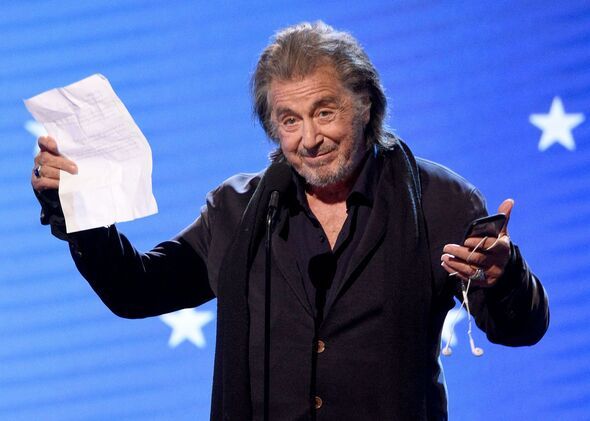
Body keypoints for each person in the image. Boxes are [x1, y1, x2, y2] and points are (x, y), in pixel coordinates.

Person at [31, 21, 548, 421]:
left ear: (365, 105)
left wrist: (504, 279)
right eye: (289, 120)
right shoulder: (236, 211)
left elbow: (519, 328)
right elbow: (136, 290)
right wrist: (76, 204)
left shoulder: (440, 201)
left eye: (325, 113)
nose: (309, 139)